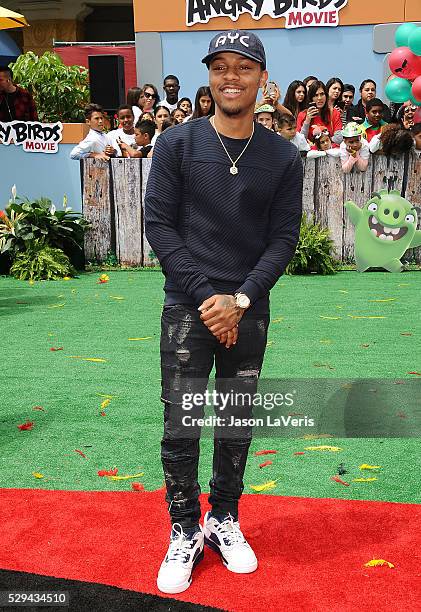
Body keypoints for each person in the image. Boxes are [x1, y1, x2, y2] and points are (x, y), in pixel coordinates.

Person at [145, 29, 303, 595]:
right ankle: (184, 526)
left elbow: (282, 239)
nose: (230, 77)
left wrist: (239, 299)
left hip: (248, 308)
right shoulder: (177, 144)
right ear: (209, 77)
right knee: (181, 420)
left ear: (263, 78)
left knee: (236, 419)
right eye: (221, 67)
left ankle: (224, 519)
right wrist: (209, 298)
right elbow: (159, 225)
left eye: (243, 67)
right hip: (188, 306)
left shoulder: (284, 156)